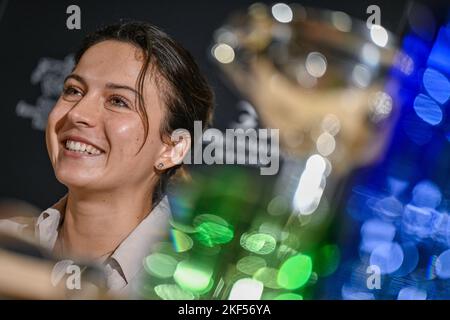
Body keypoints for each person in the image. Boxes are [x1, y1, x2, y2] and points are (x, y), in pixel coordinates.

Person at [0, 21, 214, 295]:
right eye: (74, 90)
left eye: (118, 101)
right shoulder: (7, 242)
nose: (77, 113)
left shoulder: (194, 286)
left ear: (172, 148)